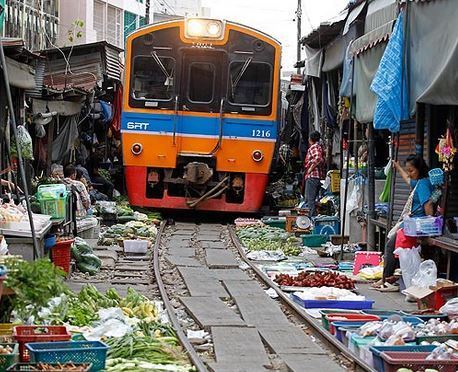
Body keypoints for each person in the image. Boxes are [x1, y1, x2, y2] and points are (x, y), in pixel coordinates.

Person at [372, 154, 434, 291]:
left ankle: (387, 279)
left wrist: (431, 226)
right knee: (391, 245)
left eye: (411, 170)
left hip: (417, 225)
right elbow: (407, 179)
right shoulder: (418, 181)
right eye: (408, 170)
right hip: (411, 224)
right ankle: (388, 278)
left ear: (419, 169)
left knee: (390, 245)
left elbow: (428, 204)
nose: (409, 173)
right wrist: (397, 166)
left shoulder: (423, 184)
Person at [303, 131, 326, 216]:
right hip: (317, 177)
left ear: (310, 139)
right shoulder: (319, 147)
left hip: (312, 176)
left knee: (310, 200)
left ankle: (311, 218)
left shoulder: (314, 147)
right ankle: (313, 217)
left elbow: (318, 158)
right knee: (311, 199)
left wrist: (310, 169)